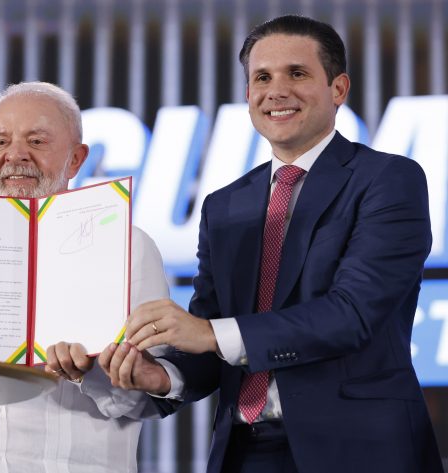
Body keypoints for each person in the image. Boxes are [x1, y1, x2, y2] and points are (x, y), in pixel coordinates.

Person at [100, 14, 443, 473]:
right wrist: (162, 375)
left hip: (358, 450)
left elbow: (352, 314)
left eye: (296, 73)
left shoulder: (387, 179)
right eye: (262, 78)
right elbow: (212, 336)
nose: (276, 91)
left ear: (338, 89)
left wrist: (208, 334)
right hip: (244, 453)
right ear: (248, 95)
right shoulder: (224, 205)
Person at [0, 81, 170, 473]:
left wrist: (92, 374)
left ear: (76, 159)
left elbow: (154, 395)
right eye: (1, 142)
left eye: (36, 141)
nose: (16, 155)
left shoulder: (129, 247)